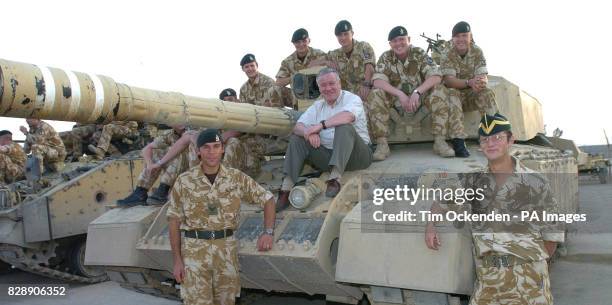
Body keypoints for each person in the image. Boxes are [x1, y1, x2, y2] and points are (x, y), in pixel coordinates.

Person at [424, 113, 563, 305]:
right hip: (489, 282)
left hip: (529, 283)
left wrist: (530, 266)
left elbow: (552, 236)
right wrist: (430, 225)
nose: (491, 143)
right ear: (480, 146)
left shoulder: (536, 182)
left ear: (510, 140)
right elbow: (441, 202)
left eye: (497, 137)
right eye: (485, 139)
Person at [167, 129, 275, 305]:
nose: (212, 152)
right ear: (198, 151)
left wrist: (268, 232)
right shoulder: (184, 181)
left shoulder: (236, 178)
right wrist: (177, 260)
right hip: (194, 253)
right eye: (206, 147)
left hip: (226, 251)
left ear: (223, 149)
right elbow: (173, 220)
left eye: (216, 146)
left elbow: (268, 199)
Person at [276, 67, 372, 211]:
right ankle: (285, 190)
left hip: (357, 156)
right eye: (323, 85)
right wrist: (308, 132)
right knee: (297, 138)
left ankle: (334, 179)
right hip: (328, 156)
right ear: (319, 88)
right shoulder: (318, 106)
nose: (328, 88)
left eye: (331, 83)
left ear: (339, 84)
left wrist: (320, 126)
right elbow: (298, 126)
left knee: (343, 126)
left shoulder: (352, 99)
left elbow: (348, 117)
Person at [367, 26, 456, 160]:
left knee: (440, 90)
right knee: (375, 94)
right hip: (396, 102)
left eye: (402, 39)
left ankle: (439, 141)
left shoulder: (419, 53)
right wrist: (399, 94)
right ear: (390, 44)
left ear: (408, 39)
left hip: (420, 99)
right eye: (394, 41)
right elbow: (377, 81)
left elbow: (436, 77)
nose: (399, 43)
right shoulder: (386, 57)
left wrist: (417, 92)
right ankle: (382, 144)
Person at [440, 21, 497, 156]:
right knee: (452, 93)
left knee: (486, 92)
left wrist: (480, 83)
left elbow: (483, 75)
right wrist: (469, 82)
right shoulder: (447, 53)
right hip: (454, 99)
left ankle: (491, 135)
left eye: (464, 35)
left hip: (472, 95)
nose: (461, 39)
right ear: (452, 38)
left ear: (470, 37)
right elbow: (449, 80)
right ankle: (458, 140)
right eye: (457, 36)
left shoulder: (477, 51)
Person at [117, 124, 188, 207]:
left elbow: (181, 146)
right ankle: (140, 192)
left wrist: (159, 163)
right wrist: (150, 165)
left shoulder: (192, 132)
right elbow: (147, 148)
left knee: (179, 151)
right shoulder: (170, 134)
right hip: (178, 170)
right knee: (156, 151)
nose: (180, 122)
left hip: (195, 169)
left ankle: (163, 190)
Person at [324, 20, 376, 102]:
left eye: (346, 34)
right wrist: (326, 62)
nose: (343, 37)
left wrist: (366, 84)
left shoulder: (363, 46)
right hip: (345, 95)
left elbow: (369, 67)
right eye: (340, 35)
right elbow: (313, 63)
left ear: (352, 33)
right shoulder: (334, 55)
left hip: (364, 89)